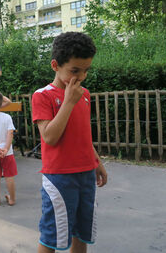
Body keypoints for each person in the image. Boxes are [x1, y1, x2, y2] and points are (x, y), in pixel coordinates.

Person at [31, 32, 108, 253]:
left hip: (85, 174)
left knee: (81, 233)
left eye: (86, 70)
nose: (82, 76)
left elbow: (83, 135)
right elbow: (49, 137)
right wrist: (68, 102)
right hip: (59, 177)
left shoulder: (84, 94)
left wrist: (97, 162)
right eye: (75, 70)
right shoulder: (43, 96)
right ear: (55, 65)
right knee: (51, 235)